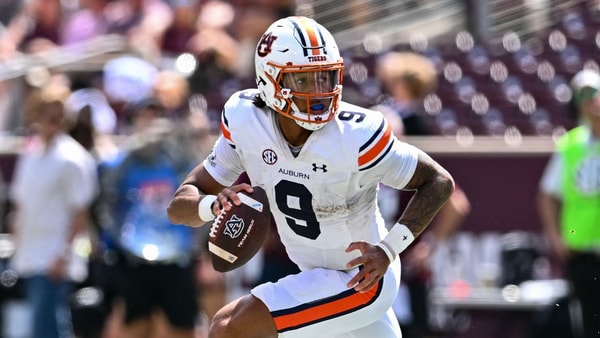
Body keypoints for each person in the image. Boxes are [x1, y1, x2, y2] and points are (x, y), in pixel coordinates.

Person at [167, 16, 454, 338]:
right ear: (269, 80)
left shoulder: (355, 133)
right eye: (303, 81)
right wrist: (212, 206)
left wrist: (389, 249)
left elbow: (438, 182)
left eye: (325, 78)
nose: (319, 92)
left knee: (228, 326)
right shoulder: (247, 120)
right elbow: (179, 206)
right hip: (317, 273)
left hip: (359, 278)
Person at [98, 97, 200, 338]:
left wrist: (196, 245)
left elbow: (200, 201)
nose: (151, 123)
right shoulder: (118, 165)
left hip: (175, 259)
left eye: (156, 117)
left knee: (181, 328)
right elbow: (105, 206)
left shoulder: (179, 162)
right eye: (144, 117)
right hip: (133, 261)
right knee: (132, 325)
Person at [8, 81, 98, 338]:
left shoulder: (73, 158)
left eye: (58, 113)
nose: (53, 119)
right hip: (30, 257)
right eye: (47, 112)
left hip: (54, 259)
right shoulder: (32, 153)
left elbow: (80, 212)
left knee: (47, 330)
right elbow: (21, 204)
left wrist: (64, 254)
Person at [536, 68, 600, 338]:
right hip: (582, 252)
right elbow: (548, 194)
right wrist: (555, 237)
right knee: (589, 325)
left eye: (594, 93)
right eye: (584, 95)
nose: (591, 100)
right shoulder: (571, 144)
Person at [373, 51, 438, 135]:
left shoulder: (417, 124)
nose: (391, 84)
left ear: (405, 86)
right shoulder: (387, 108)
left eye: (396, 81)